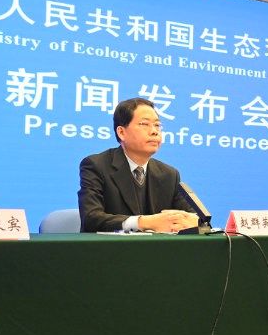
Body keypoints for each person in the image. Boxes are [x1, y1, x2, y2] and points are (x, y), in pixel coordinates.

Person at [77, 97, 198, 233]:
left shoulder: (169, 174)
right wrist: (144, 222)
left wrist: (192, 221)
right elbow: (91, 219)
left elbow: (192, 217)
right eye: (144, 124)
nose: (154, 131)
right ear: (121, 132)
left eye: (157, 125)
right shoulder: (96, 166)